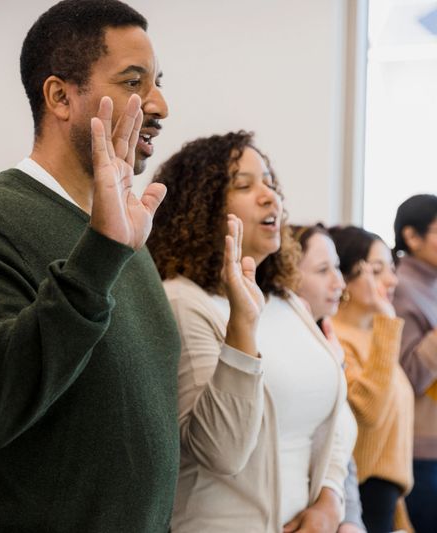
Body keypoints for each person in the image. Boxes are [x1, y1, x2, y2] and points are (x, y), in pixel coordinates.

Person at [0, 1, 179, 531]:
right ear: (61, 97)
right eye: (133, 82)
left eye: (157, 83)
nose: (158, 104)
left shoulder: (127, 233)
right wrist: (100, 252)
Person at [146, 131, 348, 533]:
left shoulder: (286, 301)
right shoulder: (184, 302)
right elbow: (222, 452)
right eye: (244, 185)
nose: (270, 196)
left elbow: (338, 420)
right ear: (202, 207)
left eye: (270, 182)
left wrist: (330, 500)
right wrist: (241, 326)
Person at [329, 225, 414, 533]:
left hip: (384, 499)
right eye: (376, 271)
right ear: (346, 277)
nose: (392, 280)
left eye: (391, 268)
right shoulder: (337, 338)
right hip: (359, 497)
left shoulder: (370, 337)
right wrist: (387, 320)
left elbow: (387, 445)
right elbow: (369, 411)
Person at [291, 223, 365, 533]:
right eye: (323, 270)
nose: (339, 282)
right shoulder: (283, 350)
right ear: (287, 276)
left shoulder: (327, 339)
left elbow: (342, 444)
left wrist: (350, 519)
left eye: (337, 267)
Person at [390, 194, 437, 532]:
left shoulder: (431, 283)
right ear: (412, 236)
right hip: (420, 450)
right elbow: (409, 374)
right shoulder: (401, 287)